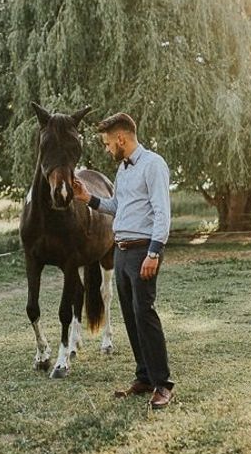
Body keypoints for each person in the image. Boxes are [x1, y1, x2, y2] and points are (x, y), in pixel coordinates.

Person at [72, 112, 174, 409]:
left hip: (144, 250)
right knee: (130, 315)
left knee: (145, 313)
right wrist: (87, 198)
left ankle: (163, 383)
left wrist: (154, 252)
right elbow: (116, 206)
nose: (106, 149)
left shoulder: (153, 165)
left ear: (121, 138)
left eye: (106, 143)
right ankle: (143, 377)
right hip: (122, 250)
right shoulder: (124, 170)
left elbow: (162, 213)